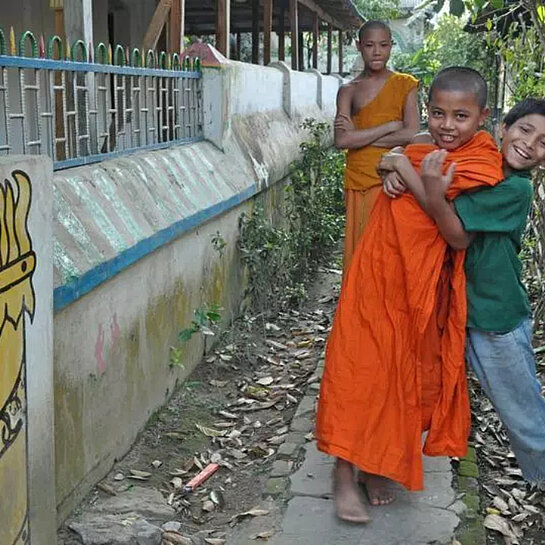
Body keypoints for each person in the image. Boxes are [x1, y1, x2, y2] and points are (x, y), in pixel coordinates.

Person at [316, 67, 504, 523]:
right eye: (438, 113)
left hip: (424, 286)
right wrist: (396, 162)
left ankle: (377, 463)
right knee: (361, 365)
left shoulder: (484, 160)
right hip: (379, 273)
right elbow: (409, 160)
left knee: (404, 372)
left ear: (482, 116)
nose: (447, 125)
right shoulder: (424, 150)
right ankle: (344, 471)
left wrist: (401, 166)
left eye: (461, 115)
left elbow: (455, 233)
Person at [399, 98, 545, 488]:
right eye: (525, 130)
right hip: (457, 311)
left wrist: (411, 176)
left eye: (543, 142)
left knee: (524, 418)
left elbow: (455, 232)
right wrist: (397, 158)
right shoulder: (478, 165)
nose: (530, 144)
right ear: (501, 128)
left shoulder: (514, 188)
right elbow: (422, 142)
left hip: (496, 318)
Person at [334, 20, 419, 274]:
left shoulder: (406, 84)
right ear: (359, 46)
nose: (377, 51)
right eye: (370, 45)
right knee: (360, 252)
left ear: (392, 46)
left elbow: (411, 134)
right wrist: (389, 127)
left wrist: (360, 137)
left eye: (383, 45)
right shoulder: (348, 90)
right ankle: (356, 312)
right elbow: (341, 141)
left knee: (388, 254)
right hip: (359, 179)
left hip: (394, 177)